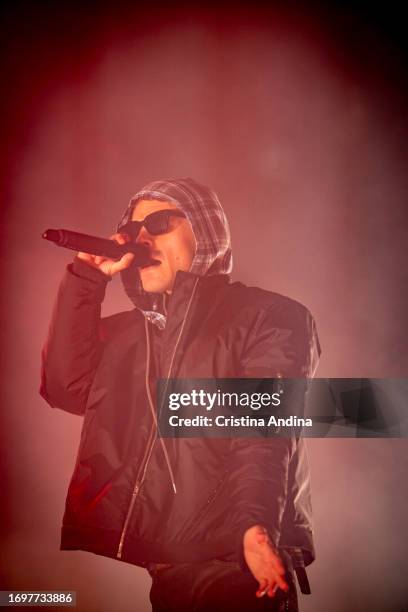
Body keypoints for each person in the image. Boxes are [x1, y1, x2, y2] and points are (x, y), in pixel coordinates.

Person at [40, 177, 320, 611]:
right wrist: (85, 279)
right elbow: (66, 388)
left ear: (206, 233)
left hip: (236, 565)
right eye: (132, 231)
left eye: (162, 221)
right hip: (171, 565)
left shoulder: (270, 317)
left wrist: (254, 529)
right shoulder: (133, 336)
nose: (141, 238)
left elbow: (264, 434)